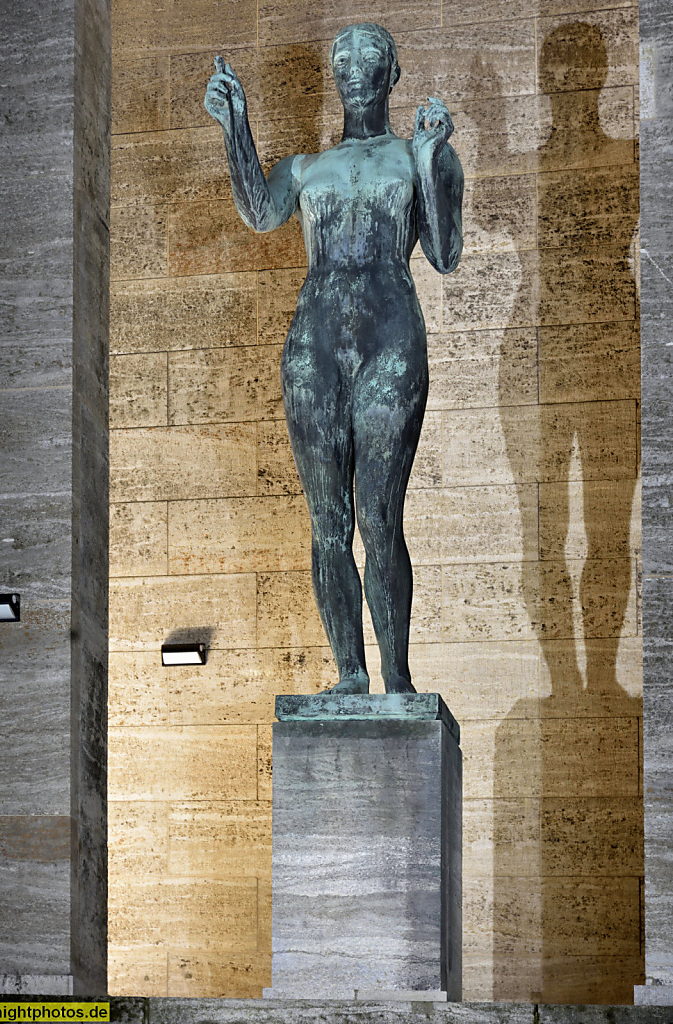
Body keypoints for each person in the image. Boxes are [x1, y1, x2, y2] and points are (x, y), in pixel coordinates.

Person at [204, 22, 463, 694]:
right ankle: (350, 674)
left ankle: (397, 680)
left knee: (379, 516)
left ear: (392, 72)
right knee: (327, 521)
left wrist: (432, 159)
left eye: (370, 56)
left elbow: (444, 253)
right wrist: (234, 126)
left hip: (391, 341)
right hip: (314, 345)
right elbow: (261, 213)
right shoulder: (306, 168)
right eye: (343, 59)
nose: (354, 68)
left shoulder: (418, 153)